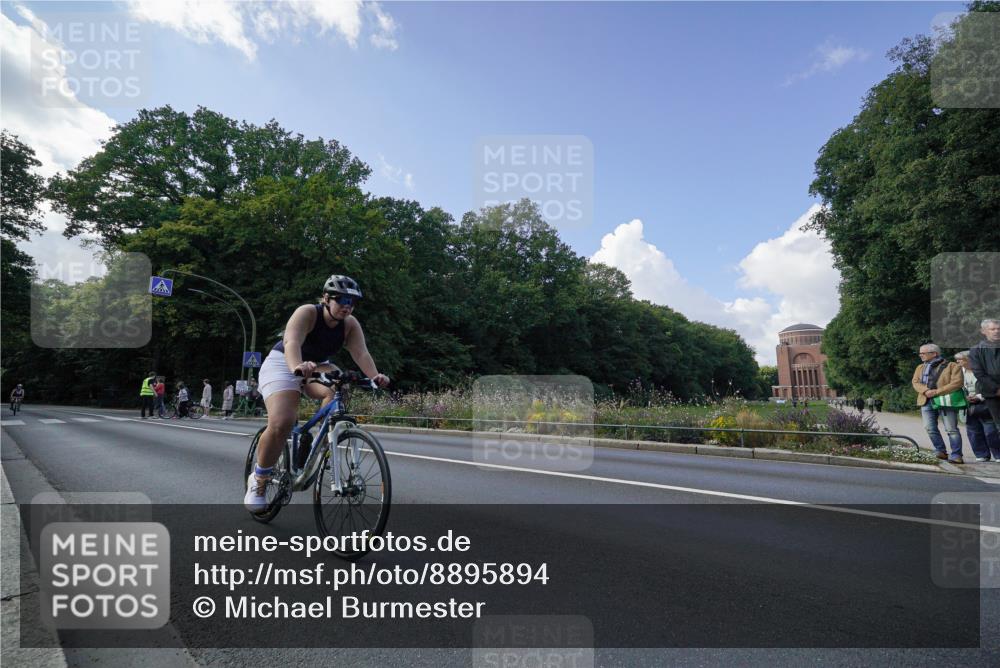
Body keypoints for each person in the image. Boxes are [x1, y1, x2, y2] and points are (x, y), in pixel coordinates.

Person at [245, 274, 390, 511]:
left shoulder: (350, 324)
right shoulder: (307, 313)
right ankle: (259, 479)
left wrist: (375, 376)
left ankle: (321, 440)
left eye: (352, 302)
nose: (347, 306)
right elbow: (292, 342)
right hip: (284, 362)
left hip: (318, 365)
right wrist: (297, 366)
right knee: (283, 421)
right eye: (341, 299)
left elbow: (361, 353)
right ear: (326, 298)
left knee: (339, 384)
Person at [912, 343, 965, 463]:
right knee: (929, 428)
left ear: (934, 353)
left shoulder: (952, 366)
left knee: (951, 429)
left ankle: (957, 455)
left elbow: (957, 383)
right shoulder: (920, 367)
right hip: (926, 400)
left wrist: (937, 392)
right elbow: (915, 382)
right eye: (920, 353)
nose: (920, 355)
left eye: (923, 353)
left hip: (945, 400)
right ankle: (940, 451)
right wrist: (926, 391)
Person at [956, 351, 1000, 463]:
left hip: (986, 404)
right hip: (968, 405)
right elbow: (956, 387)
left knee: (991, 431)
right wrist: (964, 397)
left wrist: (980, 397)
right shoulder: (959, 372)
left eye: (960, 359)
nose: (957, 362)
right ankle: (982, 454)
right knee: (973, 431)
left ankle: (998, 454)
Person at [969, 318, 1000, 444]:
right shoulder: (976, 350)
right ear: (983, 331)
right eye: (993, 329)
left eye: (999, 329)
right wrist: (996, 388)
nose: (997, 331)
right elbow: (978, 372)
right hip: (992, 394)